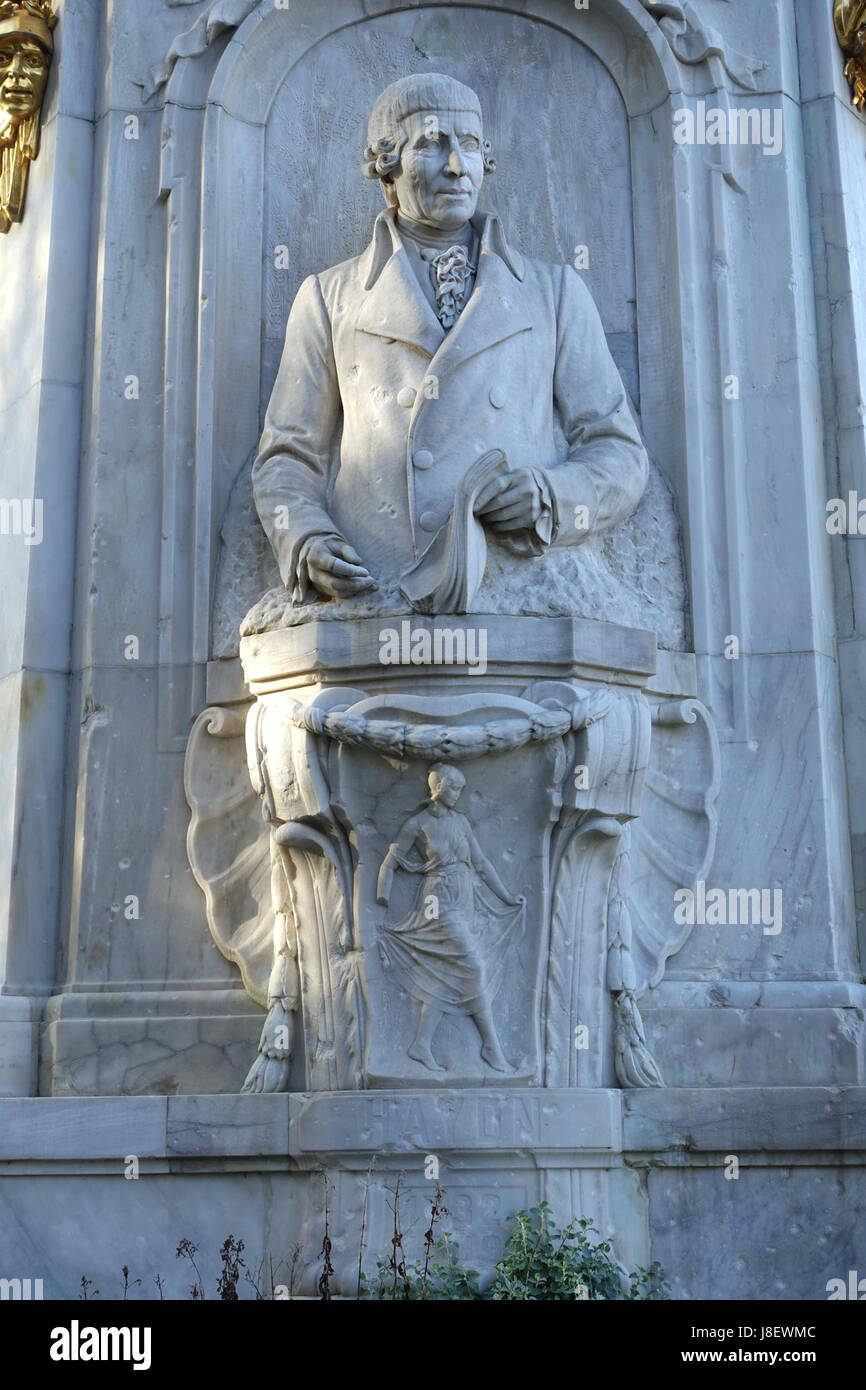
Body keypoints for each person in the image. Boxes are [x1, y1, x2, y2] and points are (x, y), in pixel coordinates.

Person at [252, 72, 648, 607]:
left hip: (516, 590)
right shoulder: (329, 298)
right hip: (377, 588)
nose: (458, 166)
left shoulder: (553, 293)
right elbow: (287, 457)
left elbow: (619, 451)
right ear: (387, 164)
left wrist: (551, 497)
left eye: (469, 145)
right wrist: (306, 539)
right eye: (433, 145)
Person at [376, 764, 524, 1073]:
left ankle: (420, 1044)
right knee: (474, 966)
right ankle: (491, 1047)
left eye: (462, 788)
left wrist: (508, 897)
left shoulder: (461, 822)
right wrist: (382, 896)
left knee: (445, 974)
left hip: (465, 898)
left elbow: (481, 864)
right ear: (439, 786)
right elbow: (391, 861)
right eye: (455, 787)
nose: (459, 794)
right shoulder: (417, 824)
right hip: (437, 902)